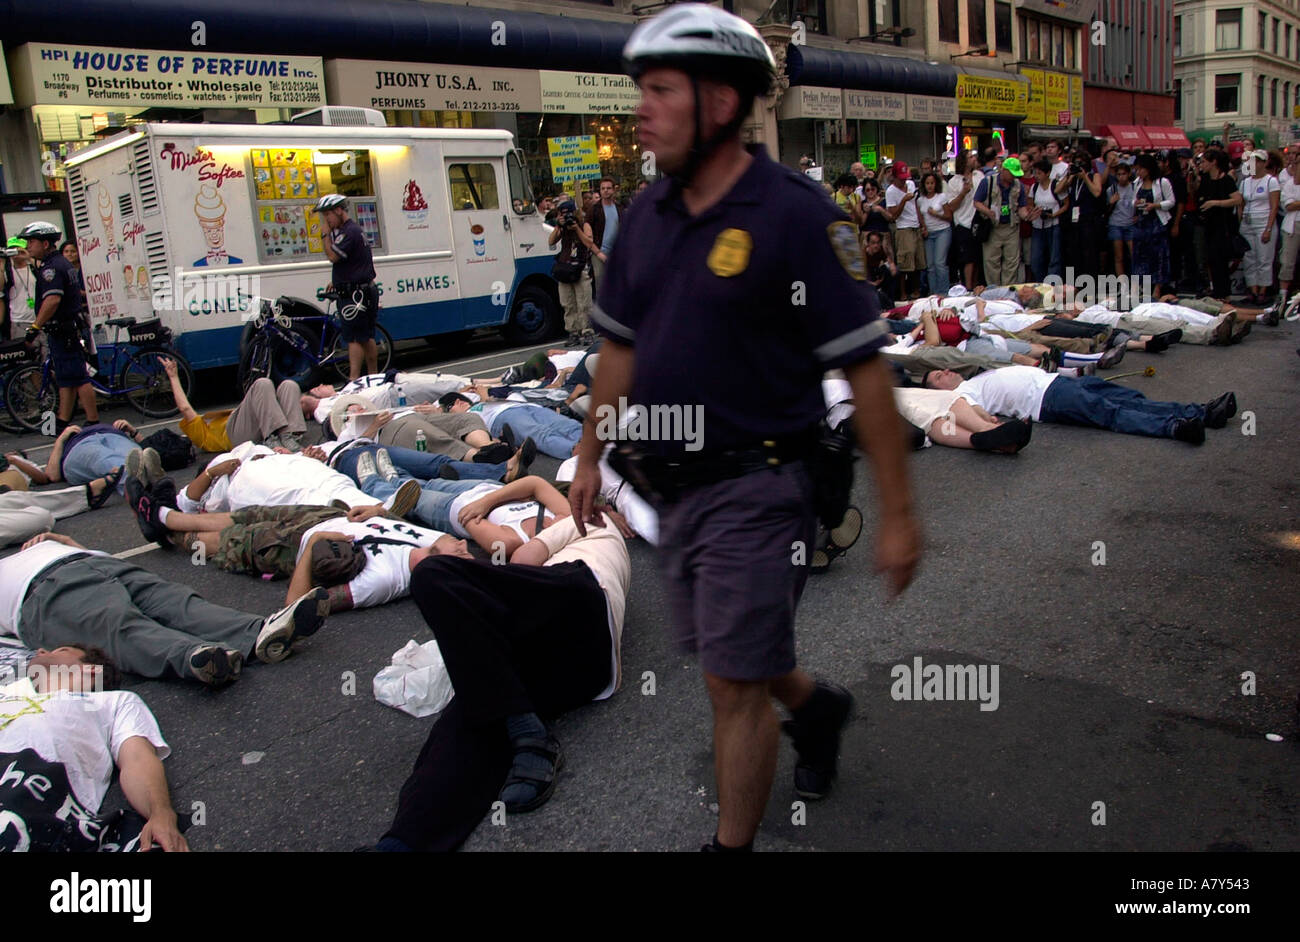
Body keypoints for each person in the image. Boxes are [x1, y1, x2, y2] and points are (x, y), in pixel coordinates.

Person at [576, 4, 920, 853]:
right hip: (675, 490)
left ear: (721, 102)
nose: (640, 110)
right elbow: (617, 349)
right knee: (745, 654)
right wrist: (589, 453)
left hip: (764, 483)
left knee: (729, 681)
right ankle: (816, 706)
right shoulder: (649, 212)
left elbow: (865, 367)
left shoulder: (799, 214)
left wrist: (901, 514)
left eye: (660, 90)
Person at [374, 513, 630, 851]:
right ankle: (403, 842)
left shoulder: (590, 520)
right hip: (578, 668)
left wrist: (499, 522)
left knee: (431, 575)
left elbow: (524, 558)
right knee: (473, 718)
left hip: (581, 598)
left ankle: (526, 730)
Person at [0, 531, 332, 684]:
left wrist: (66, 543)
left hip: (89, 562)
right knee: (117, 625)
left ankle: (260, 632)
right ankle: (198, 658)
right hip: (42, 592)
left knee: (176, 601)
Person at [0, 644, 189, 852]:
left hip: (29, 785)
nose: (42, 651)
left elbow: (137, 759)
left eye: (61, 650)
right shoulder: (6, 695)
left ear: (91, 669)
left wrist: (161, 815)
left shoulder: (112, 701)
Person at [923, 365, 1237, 445]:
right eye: (938, 376)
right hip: (1047, 400)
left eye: (943, 369)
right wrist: (990, 423)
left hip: (1056, 381)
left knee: (1127, 398)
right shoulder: (962, 395)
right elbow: (975, 414)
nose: (945, 372)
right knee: (1110, 414)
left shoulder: (975, 377)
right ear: (935, 389)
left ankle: (1201, 412)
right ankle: (1177, 428)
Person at [16, 221, 97, 431]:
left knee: (79, 377)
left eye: (31, 242)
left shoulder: (51, 269)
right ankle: (62, 421)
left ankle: (93, 421)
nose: (28, 246)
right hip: (64, 330)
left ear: (44, 243)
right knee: (65, 377)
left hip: (63, 329)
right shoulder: (60, 263)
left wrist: (35, 327)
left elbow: (52, 300)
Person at [161, 356, 306, 453]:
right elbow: (184, 408)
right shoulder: (199, 431)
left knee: (289, 385)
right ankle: (276, 439)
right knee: (262, 384)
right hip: (234, 438)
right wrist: (173, 377)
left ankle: (288, 436)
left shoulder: (206, 422)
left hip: (246, 428)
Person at [316, 194, 379, 381]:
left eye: (328, 215)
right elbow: (354, 262)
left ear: (338, 210)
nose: (326, 220)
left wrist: (325, 234)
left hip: (355, 294)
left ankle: (354, 380)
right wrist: (338, 281)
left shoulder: (348, 232)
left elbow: (333, 256)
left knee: (354, 338)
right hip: (363, 290)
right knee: (366, 336)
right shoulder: (354, 230)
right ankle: (374, 376)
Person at [548, 198, 599, 346]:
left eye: (569, 214)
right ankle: (573, 332)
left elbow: (589, 243)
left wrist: (576, 228)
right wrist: (558, 226)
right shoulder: (562, 227)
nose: (567, 217)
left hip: (581, 266)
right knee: (568, 303)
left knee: (584, 302)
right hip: (565, 267)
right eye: (564, 214)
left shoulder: (583, 225)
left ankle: (587, 331)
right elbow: (551, 242)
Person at [973, 157, 1030, 287]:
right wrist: (987, 211)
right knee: (991, 262)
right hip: (993, 227)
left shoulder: (1018, 185)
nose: (1014, 178)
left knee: (1012, 262)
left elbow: (1021, 208)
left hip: (1011, 228)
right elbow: (976, 202)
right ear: (1004, 170)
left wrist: (1027, 216)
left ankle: (1008, 290)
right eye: (1012, 174)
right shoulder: (987, 182)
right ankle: (994, 290)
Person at [1195, 150, 1243, 300]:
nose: (1201, 165)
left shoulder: (1226, 179)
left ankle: (1224, 294)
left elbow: (1237, 199)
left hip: (1223, 225)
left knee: (1220, 260)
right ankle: (1214, 289)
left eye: (1204, 162)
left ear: (1213, 162)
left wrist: (1216, 203)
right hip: (1208, 223)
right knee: (1210, 259)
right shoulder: (1204, 179)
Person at [1238, 150, 1281, 304]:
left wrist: (1268, 228)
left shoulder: (1271, 181)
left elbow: (1274, 206)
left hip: (1263, 221)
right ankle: (1253, 289)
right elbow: (1241, 204)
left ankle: (1263, 290)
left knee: (1264, 257)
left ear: (1264, 163)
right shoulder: (1245, 182)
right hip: (1248, 222)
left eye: (1257, 161)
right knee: (1249, 257)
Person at [1130, 154, 1175, 296]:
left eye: (1140, 170)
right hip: (1141, 223)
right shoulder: (1137, 183)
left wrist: (1155, 205)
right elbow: (1133, 200)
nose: (1138, 173)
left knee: (1158, 256)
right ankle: (1142, 286)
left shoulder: (1162, 182)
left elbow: (1171, 201)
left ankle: (1158, 287)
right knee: (1140, 255)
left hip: (1156, 222)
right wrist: (1136, 204)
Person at [886, 160, 924, 299]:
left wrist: (922, 224)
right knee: (905, 263)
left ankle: (916, 290)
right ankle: (902, 293)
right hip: (903, 227)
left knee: (918, 262)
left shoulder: (911, 184)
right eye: (901, 179)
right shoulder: (890, 191)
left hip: (915, 226)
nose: (904, 181)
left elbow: (916, 206)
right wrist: (903, 200)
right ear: (894, 177)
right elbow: (893, 215)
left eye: (905, 178)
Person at [943, 153, 982, 289]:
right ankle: (968, 287)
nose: (974, 159)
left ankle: (977, 286)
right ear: (964, 162)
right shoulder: (954, 181)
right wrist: (963, 193)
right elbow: (951, 206)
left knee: (978, 258)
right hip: (963, 222)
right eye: (970, 157)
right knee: (968, 259)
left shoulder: (979, 175)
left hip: (979, 221)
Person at [1028, 158, 1067, 280]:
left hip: (1054, 225)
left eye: (1039, 173)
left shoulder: (1055, 186)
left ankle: (1052, 284)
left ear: (1047, 173)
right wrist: (1034, 211)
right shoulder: (1034, 187)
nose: (1037, 176)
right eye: (1035, 173)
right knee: (1036, 259)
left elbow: (1066, 204)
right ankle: (1040, 282)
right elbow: (1030, 204)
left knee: (1054, 258)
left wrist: (1054, 215)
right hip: (1038, 226)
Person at [588, 177, 625, 294]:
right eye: (603, 188)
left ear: (614, 190)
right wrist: (598, 252)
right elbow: (587, 234)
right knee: (601, 284)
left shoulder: (619, 208)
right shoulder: (594, 209)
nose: (605, 191)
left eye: (608, 188)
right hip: (599, 251)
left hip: (617, 253)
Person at [917, 171, 952, 295]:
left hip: (942, 231)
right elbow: (920, 216)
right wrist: (924, 228)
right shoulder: (920, 200)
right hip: (929, 234)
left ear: (936, 184)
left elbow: (949, 216)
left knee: (939, 263)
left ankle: (944, 292)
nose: (930, 186)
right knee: (930, 266)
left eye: (932, 183)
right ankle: (933, 292)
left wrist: (937, 214)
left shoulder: (941, 197)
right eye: (927, 183)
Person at [1105, 161, 1138, 276]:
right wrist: (1111, 203)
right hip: (1115, 224)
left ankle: (1136, 282)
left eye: (1123, 174)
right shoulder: (1112, 189)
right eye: (1118, 174)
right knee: (1118, 256)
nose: (1121, 177)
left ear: (1128, 174)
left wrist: (1137, 215)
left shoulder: (1135, 187)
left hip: (1130, 223)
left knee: (1134, 254)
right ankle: (1122, 284)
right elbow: (1106, 211)